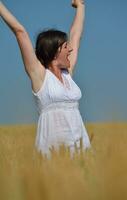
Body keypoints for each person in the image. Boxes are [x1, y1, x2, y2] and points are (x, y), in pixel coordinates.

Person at [0, 0, 91, 159]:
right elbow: (19, 31)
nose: (70, 48)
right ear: (54, 52)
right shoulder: (39, 76)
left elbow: (76, 35)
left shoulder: (67, 73)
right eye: (65, 47)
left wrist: (80, 6)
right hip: (51, 153)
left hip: (79, 149)